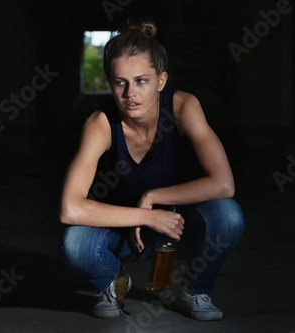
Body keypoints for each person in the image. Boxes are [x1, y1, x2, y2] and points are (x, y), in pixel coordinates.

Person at [58, 17, 244, 321]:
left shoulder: (183, 107)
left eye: (141, 81)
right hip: (123, 235)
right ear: (110, 84)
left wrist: (153, 195)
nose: (130, 93)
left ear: (161, 80)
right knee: (74, 243)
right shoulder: (100, 124)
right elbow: (70, 209)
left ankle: (194, 290)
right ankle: (113, 281)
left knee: (228, 214)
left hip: (177, 230)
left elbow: (224, 184)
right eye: (120, 82)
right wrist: (146, 214)